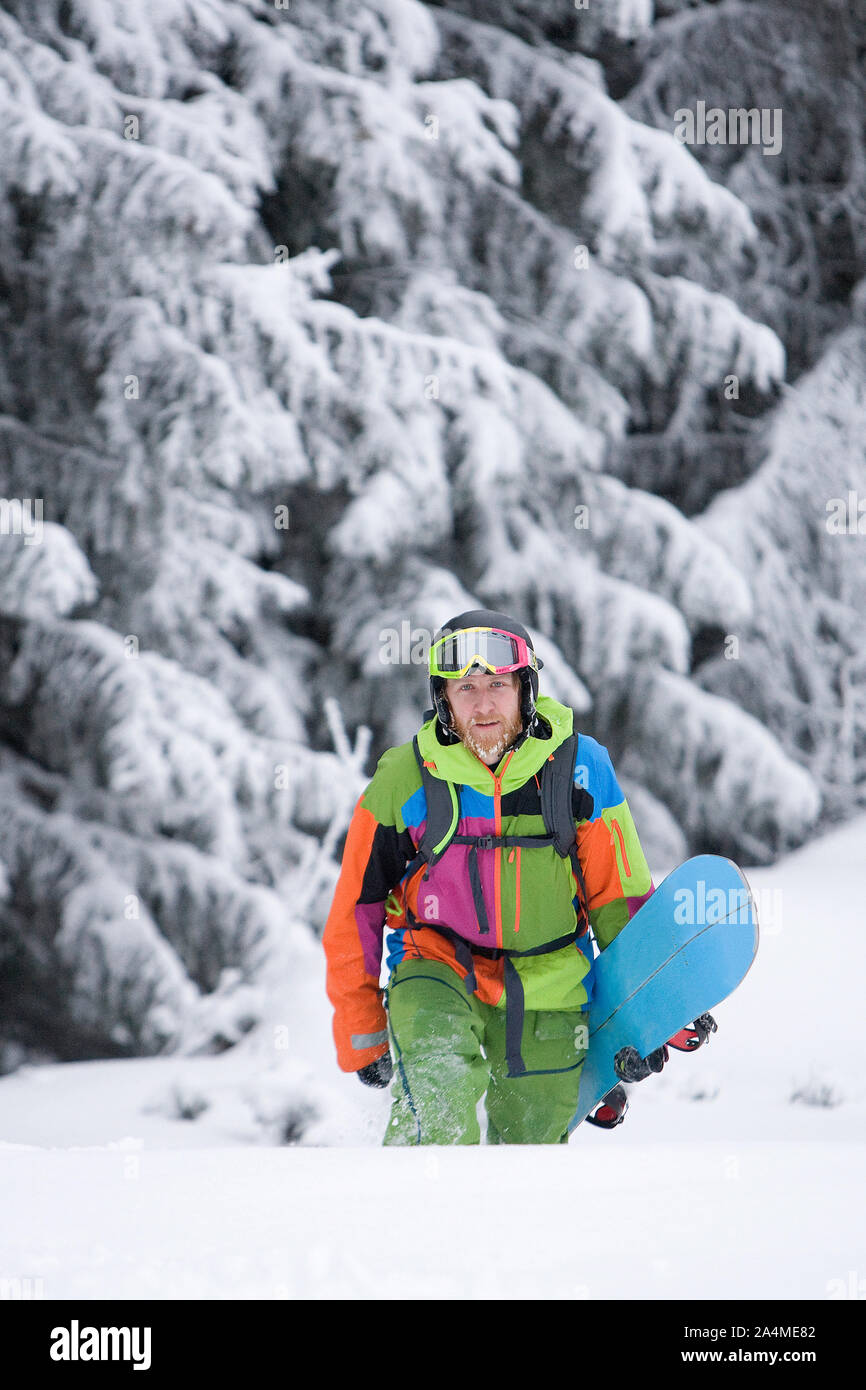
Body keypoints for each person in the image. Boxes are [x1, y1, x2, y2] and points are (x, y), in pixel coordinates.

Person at [323, 609, 662, 1144]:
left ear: (525, 689)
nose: (483, 705)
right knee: (437, 1103)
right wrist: (363, 1030)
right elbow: (355, 909)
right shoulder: (405, 778)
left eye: (498, 685)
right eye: (466, 688)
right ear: (444, 698)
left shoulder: (580, 769)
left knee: (531, 1153)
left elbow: (618, 904)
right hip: (436, 967)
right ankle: (412, 1216)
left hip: (551, 984)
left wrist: (640, 1022)